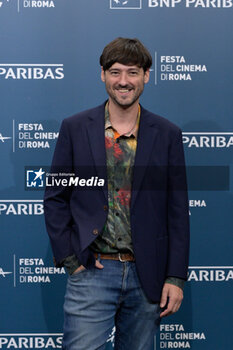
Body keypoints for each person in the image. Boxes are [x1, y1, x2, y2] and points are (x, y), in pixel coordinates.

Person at [44, 37, 190, 350]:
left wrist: (175, 277)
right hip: (92, 270)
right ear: (103, 74)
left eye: (133, 72)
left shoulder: (167, 134)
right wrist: (70, 258)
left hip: (147, 274)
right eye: (115, 72)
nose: (123, 81)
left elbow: (177, 210)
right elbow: (56, 197)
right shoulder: (75, 127)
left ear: (147, 76)